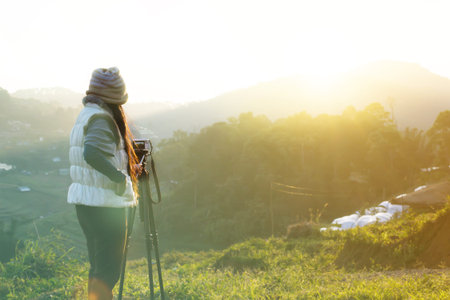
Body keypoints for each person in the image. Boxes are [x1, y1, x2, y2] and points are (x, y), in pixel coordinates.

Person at [67, 67, 140, 300]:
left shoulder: (88, 114)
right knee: (108, 272)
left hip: (88, 203)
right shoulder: (101, 118)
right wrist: (119, 179)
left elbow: (100, 155)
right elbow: (92, 154)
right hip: (105, 206)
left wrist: (129, 170)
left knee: (98, 269)